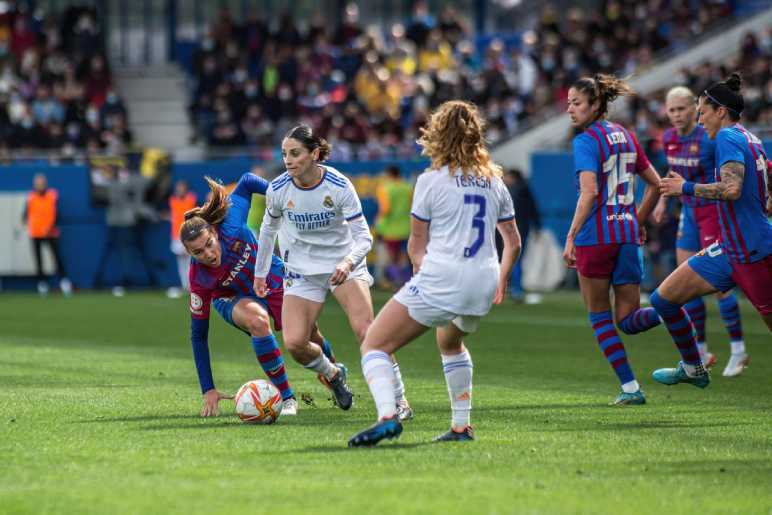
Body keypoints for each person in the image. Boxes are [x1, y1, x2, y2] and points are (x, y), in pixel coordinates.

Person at [348, 100, 521, 447]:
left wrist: (421, 278)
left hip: (445, 276)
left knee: (374, 345)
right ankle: (461, 427)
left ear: (437, 135)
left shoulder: (430, 180)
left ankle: (387, 416)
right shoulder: (495, 183)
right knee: (449, 341)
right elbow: (513, 243)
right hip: (484, 280)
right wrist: (501, 280)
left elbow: (417, 245)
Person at [254, 125, 412, 417]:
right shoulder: (277, 189)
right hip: (301, 271)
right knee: (295, 343)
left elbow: (364, 236)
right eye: (285, 154)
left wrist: (348, 262)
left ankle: (400, 401)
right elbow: (268, 230)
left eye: (295, 153)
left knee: (368, 332)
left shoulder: (338, 185)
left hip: (343, 266)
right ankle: (334, 374)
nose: (288, 160)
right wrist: (260, 273)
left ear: (314, 154)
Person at [654, 73, 771, 388]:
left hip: (753, 252)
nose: (698, 118)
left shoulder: (728, 138)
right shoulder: (751, 137)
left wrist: (685, 187)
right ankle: (694, 365)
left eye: (702, 111)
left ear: (720, 111)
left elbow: (732, 189)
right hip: (730, 248)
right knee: (663, 298)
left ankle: (732, 353)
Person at [181, 172, 325, 417]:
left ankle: (333, 374)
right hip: (233, 298)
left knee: (308, 334)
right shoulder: (199, 280)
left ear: (214, 233)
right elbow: (198, 336)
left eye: (208, 244)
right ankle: (287, 398)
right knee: (258, 321)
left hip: (271, 276)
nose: (207, 253)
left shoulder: (232, 223)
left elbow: (247, 181)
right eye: (198, 252)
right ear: (189, 254)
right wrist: (208, 389)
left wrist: (284, 196)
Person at [562, 74, 664, 406]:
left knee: (599, 317)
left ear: (595, 105)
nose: (570, 110)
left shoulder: (585, 141)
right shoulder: (626, 135)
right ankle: (669, 310)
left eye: (576, 103)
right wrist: (637, 219)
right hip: (627, 236)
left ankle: (631, 389)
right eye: (568, 104)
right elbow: (656, 183)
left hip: (595, 237)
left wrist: (571, 235)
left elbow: (589, 192)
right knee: (629, 320)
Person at [22, 173, 72, 296]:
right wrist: (28, 224)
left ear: (45, 184)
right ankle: (42, 284)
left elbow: (56, 214)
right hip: (36, 233)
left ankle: (65, 283)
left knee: (57, 259)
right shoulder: (31, 197)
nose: (40, 185)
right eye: (37, 183)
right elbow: (25, 215)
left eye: (42, 183)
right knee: (39, 260)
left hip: (51, 233)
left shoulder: (52, 195)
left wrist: (50, 227)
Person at [499, 168, 541, 301]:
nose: (505, 179)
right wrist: (537, 227)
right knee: (516, 260)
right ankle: (515, 289)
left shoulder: (509, 192)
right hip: (521, 230)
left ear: (513, 177)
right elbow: (534, 210)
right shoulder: (524, 190)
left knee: (510, 260)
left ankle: (513, 289)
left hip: (510, 232)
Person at [375, 165, 412, 288]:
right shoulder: (408, 187)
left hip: (390, 228)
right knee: (405, 257)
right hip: (406, 227)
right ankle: (407, 281)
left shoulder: (384, 188)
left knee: (391, 258)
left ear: (389, 174)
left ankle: (397, 282)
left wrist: (378, 221)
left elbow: (385, 209)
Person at [167, 180, 197, 298]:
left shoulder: (192, 199)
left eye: (181, 187)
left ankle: (192, 286)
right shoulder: (172, 200)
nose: (179, 189)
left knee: (190, 261)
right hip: (175, 235)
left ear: (186, 188)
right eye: (178, 187)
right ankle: (185, 286)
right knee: (181, 262)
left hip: (188, 234)